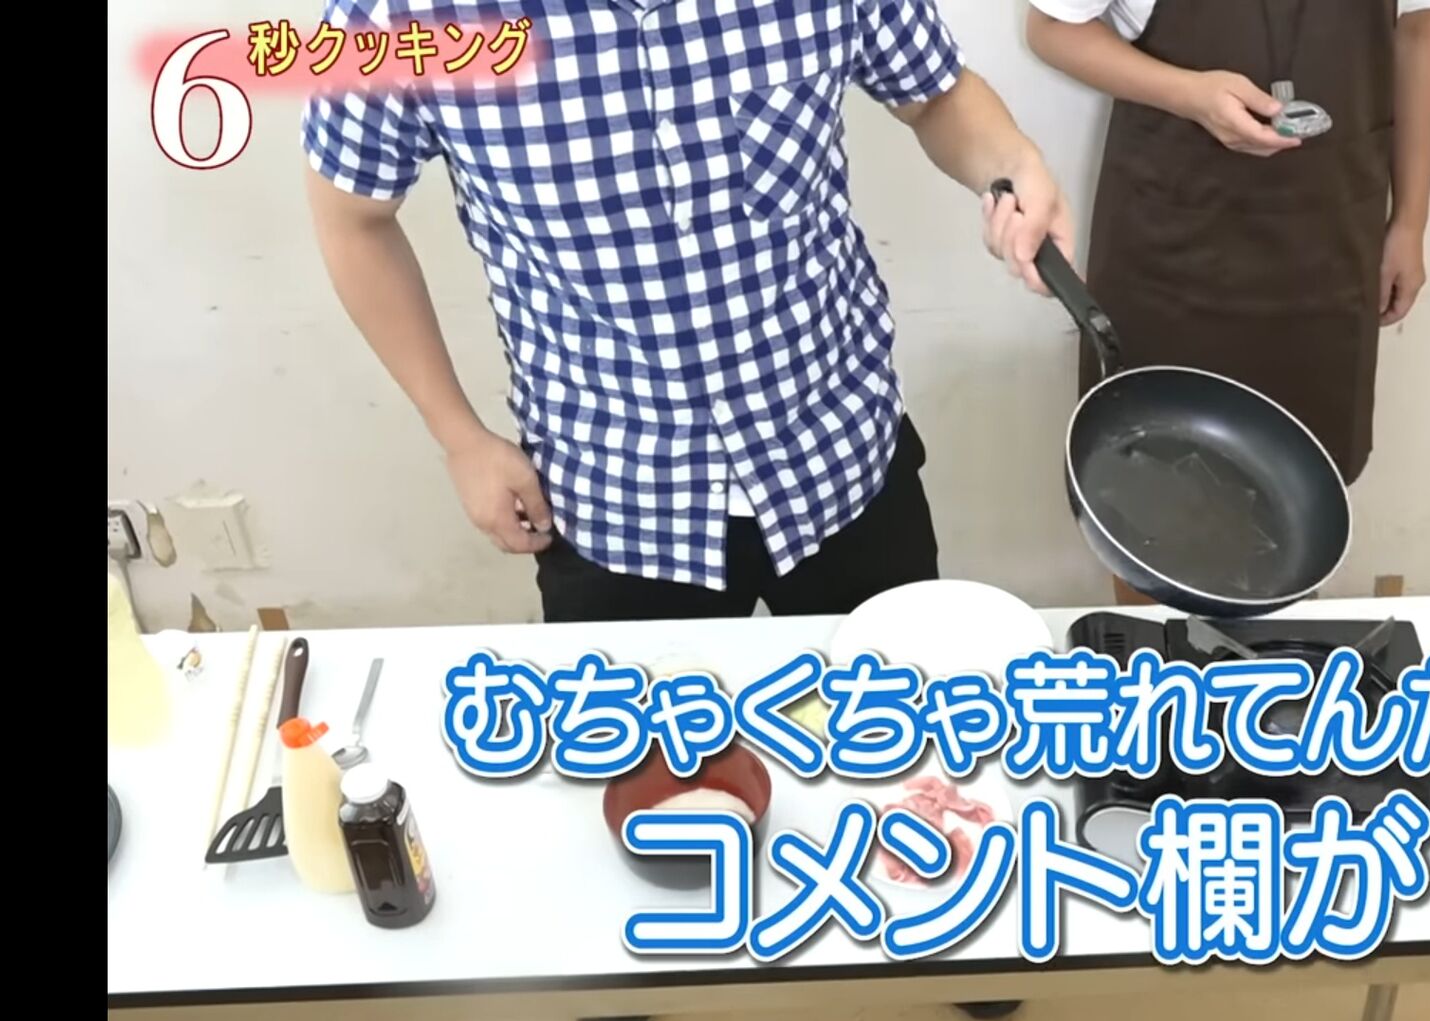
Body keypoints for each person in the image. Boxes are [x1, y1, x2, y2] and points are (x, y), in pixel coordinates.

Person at [303, 0, 1072, 627]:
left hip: (839, 452)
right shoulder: (396, 17)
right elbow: (352, 220)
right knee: (647, 767)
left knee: (900, 747)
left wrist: (1013, 164)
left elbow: (935, 93)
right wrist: (460, 438)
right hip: (614, 493)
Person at [1027, 0, 1430, 495]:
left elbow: (1421, 32)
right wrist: (1189, 94)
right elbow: (1051, 28)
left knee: (1300, 490)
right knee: (1147, 486)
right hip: (1168, 251)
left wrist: (1410, 222)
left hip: (1330, 248)